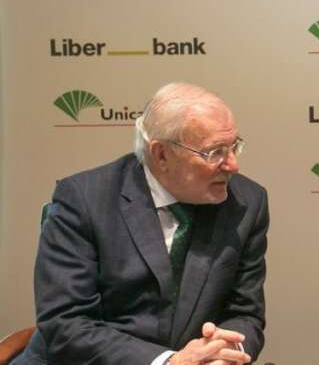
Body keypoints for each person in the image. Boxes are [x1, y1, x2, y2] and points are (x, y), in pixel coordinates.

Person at [14, 83, 268, 365]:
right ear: (161, 154)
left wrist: (226, 354)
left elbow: (244, 311)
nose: (232, 165)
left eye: (234, 147)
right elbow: (67, 323)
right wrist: (167, 362)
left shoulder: (246, 202)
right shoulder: (85, 199)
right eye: (214, 153)